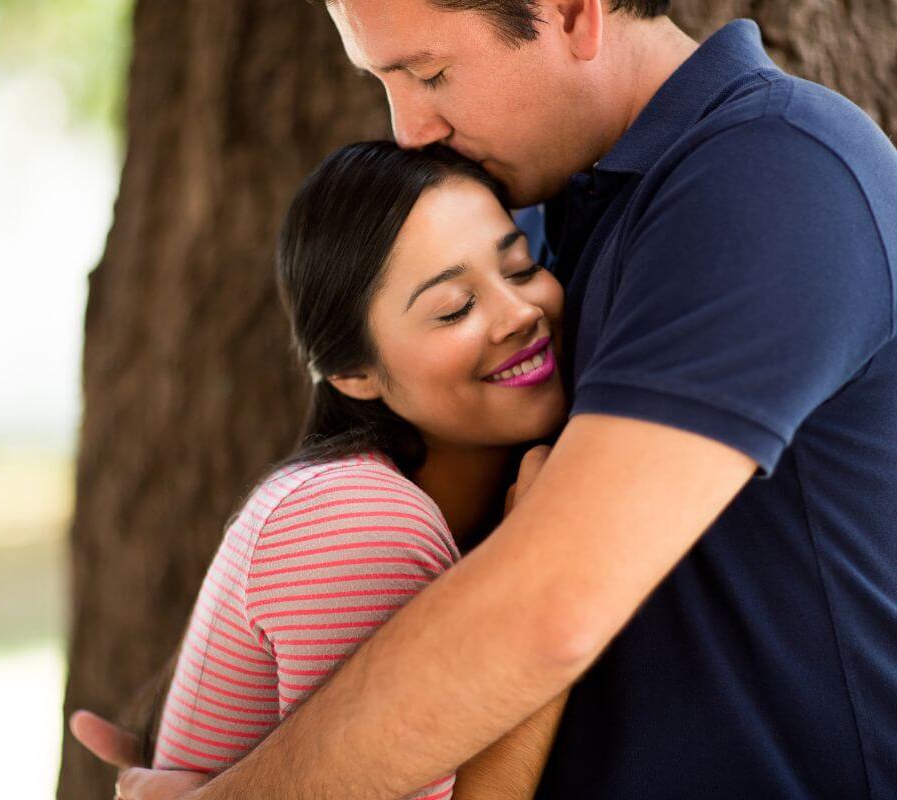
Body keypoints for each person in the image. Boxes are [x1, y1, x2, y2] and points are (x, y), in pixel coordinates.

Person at [74, 1, 897, 798]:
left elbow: (551, 607)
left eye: (429, 73)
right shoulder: (539, 226)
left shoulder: (769, 174)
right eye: (384, 82)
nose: (407, 130)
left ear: (574, 12)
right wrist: (223, 717)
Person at [84, 140, 573, 799]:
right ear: (354, 373)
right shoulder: (359, 516)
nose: (521, 314)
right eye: (455, 307)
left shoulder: (416, 510)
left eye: (520, 268)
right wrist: (552, 583)